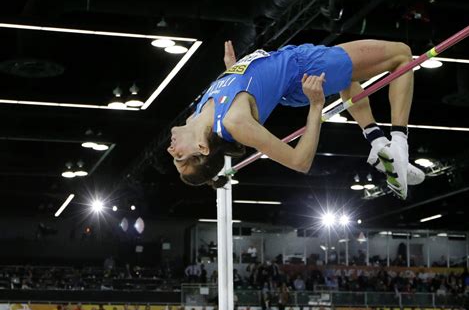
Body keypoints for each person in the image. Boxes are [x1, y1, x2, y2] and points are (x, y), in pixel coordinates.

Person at [168, 40, 426, 199]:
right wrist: (316, 106)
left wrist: (230, 69)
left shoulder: (201, 112)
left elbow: (240, 87)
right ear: (202, 148)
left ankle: (378, 142)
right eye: (179, 157)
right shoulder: (235, 123)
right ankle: (399, 144)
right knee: (401, 55)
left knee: (347, 76)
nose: (171, 149)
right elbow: (300, 161)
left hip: (293, 72)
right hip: (305, 68)